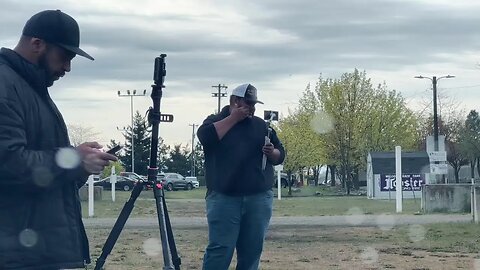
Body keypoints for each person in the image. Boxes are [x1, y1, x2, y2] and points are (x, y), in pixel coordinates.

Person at [0, 10, 117, 269]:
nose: (67, 67)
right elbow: (8, 163)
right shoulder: (6, 85)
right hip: (16, 254)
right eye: (64, 57)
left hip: (36, 250)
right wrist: (73, 158)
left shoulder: (33, 88)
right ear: (37, 44)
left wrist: (83, 165)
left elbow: (46, 174)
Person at [197, 83, 286, 270]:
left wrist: (272, 153)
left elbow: (280, 154)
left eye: (254, 104)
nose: (252, 108)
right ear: (235, 101)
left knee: (252, 250)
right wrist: (233, 119)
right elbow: (205, 137)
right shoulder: (216, 120)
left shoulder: (261, 126)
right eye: (248, 103)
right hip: (223, 198)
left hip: (258, 198)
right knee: (220, 249)